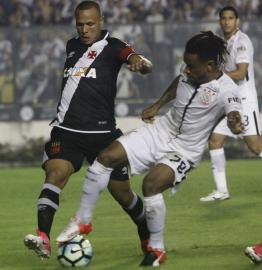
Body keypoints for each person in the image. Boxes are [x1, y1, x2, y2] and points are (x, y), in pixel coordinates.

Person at [57, 31, 244, 266]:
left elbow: (234, 113)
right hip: (160, 132)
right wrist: (157, 105)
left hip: (185, 150)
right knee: (106, 156)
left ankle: (157, 248)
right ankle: (83, 220)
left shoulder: (227, 90)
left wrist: (235, 123)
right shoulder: (190, 72)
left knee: (151, 185)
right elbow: (178, 83)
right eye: (185, 64)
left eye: (191, 66)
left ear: (209, 66)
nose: (186, 70)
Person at [24, 0, 153, 259]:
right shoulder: (72, 46)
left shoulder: (114, 46)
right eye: (80, 24)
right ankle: (43, 238)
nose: (84, 29)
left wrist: (141, 63)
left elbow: (135, 58)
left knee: (123, 194)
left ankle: (146, 231)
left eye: (90, 24)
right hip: (66, 131)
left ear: (101, 21)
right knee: (55, 175)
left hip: (102, 135)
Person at [200, 6, 262, 202]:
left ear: (237, 21)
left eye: (230, 18)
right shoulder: (223, 44)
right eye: (223, 18)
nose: (226, 22)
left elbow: (241, 73)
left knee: (255, 146)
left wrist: (213, 76)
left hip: (245, 102)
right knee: (215, 140)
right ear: (220, 21)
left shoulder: (242, 42)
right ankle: (221, 191)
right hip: (229, 102)